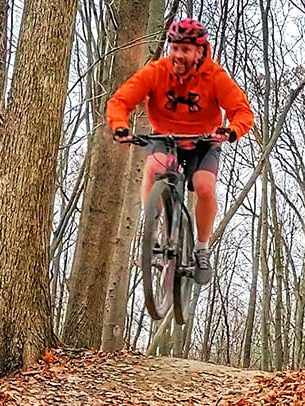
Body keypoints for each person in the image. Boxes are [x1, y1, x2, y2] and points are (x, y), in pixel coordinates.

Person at [106, 18, 254, 284]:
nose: (177, 55)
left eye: (184, 50)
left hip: (203, 140)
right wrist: (120, 126)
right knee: (155, 167)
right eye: (174, 48)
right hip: (166, 135)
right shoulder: (156, 71)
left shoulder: (214, 76)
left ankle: (201, 247)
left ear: (199, 51)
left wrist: (231, 131)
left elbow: (242, 111)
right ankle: (152, 227)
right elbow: (121, 100)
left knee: (204, 186)